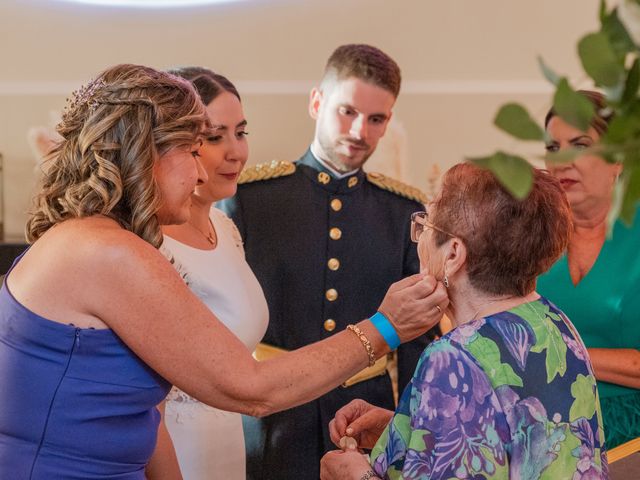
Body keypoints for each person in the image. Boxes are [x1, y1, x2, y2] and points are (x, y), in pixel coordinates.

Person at [0, 64, 449, 479]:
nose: (201, 173)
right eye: (192, 151)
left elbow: (143, 412)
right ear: (145, 154)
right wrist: (386, 327)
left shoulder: (94, 239)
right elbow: (250, 388)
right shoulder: (108, 252)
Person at [219, 43, 435, 480]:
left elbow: (417, 338)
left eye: (376, 119)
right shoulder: (250, 199)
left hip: (367, 413)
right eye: (347, 111)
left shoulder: (404, 213)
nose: (359, 131)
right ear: (317, 102)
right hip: (274, 418)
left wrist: (412, 431)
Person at [320, 163, 607, 479]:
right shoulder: (556, 322)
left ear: (453, 253)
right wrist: (403, 428)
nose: (420, 238)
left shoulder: (453, 357)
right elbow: (510, 439)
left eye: (427, 224)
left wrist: (356, 476)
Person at [158, 67, 266, 479]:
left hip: (229, 445)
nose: (235, 152)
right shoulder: (153, 244)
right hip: (176, 451)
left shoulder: (226, 228)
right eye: (216, 137)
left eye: (241, 132)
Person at [538, 89, 640, 449]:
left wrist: (563, 356)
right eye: (552, 148)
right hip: (545, 437)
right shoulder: (531, 236)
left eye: (580, 144)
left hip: (632, 439)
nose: (562, 160)